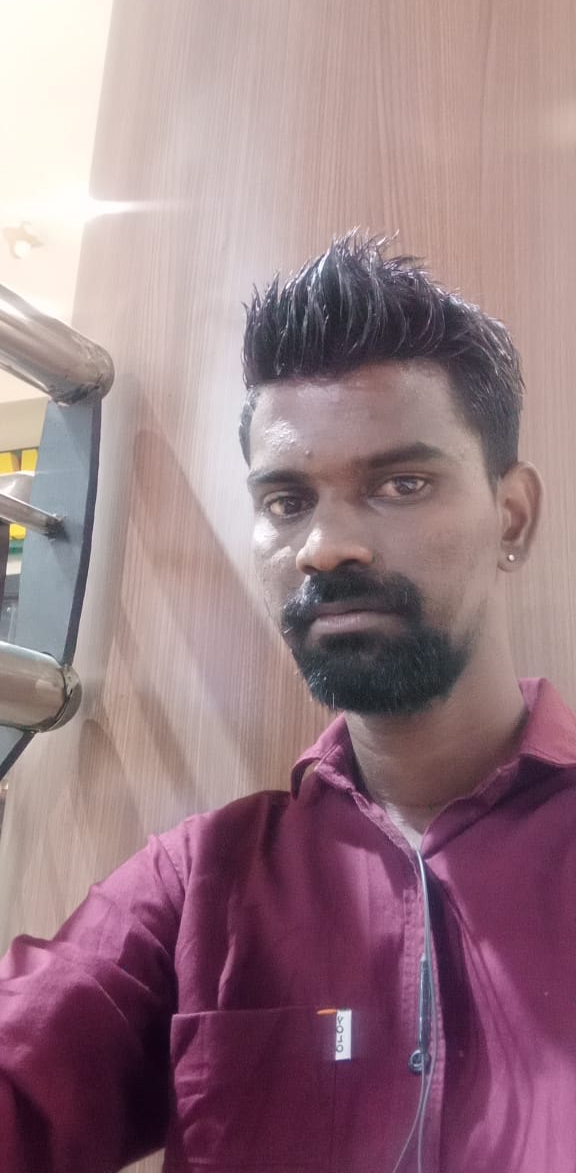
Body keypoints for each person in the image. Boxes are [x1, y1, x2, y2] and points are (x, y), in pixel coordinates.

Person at [0, 233, 574, 1173]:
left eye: (402, 483)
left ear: (512, 518)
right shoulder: (198, 887)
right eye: (286, 501)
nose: (324, 547)